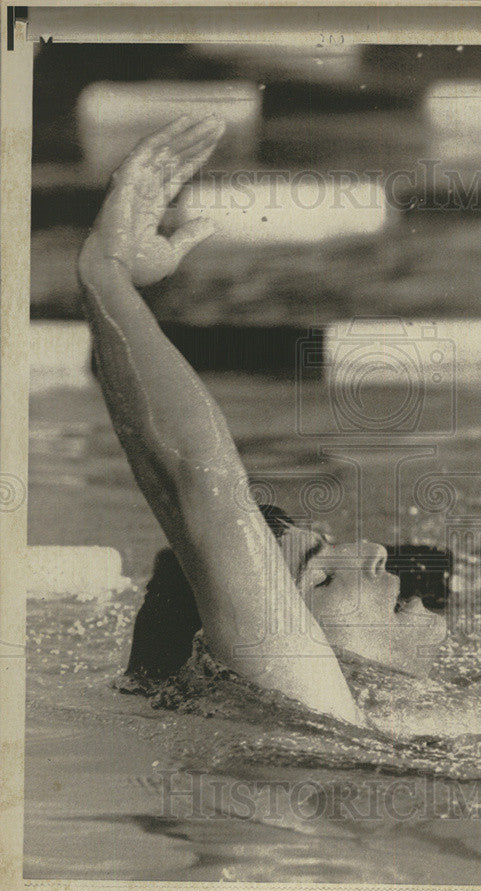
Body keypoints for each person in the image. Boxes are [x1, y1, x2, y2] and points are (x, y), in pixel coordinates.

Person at [78, 114, 446, 728]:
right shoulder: (303, 710)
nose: (377, 553)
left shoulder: (365, 729)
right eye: (323, 579)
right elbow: (200, 481)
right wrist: (106, 276)